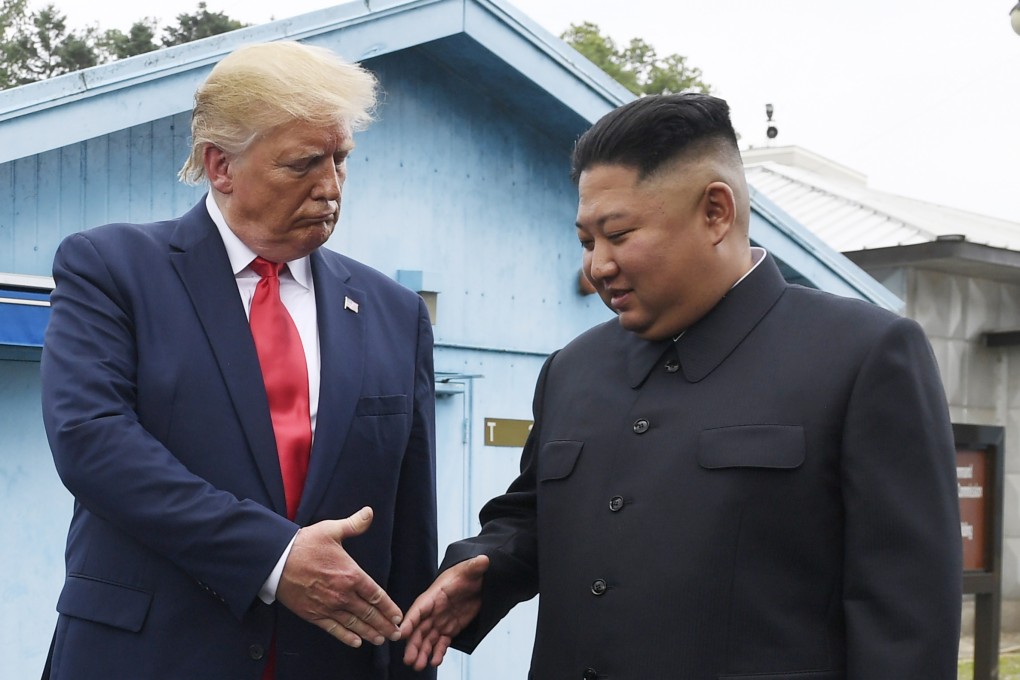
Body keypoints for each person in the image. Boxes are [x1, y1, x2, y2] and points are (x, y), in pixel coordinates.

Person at [400, 93, 962, 679]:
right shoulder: (573, 368)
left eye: (618, 233)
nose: (598, 266)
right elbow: (533, 516)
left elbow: (907, 619)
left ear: (716, 212)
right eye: (587, 242)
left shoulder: (862, 355)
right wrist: (485, 567)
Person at [40, 41, 437, 680]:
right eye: (303, 163)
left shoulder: (395, 313)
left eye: (341, 160)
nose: (330, 187)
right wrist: (275, 557)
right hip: (147, 658)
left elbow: (409, 529)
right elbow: (93, 443)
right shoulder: (111, 269)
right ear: (220, 166)